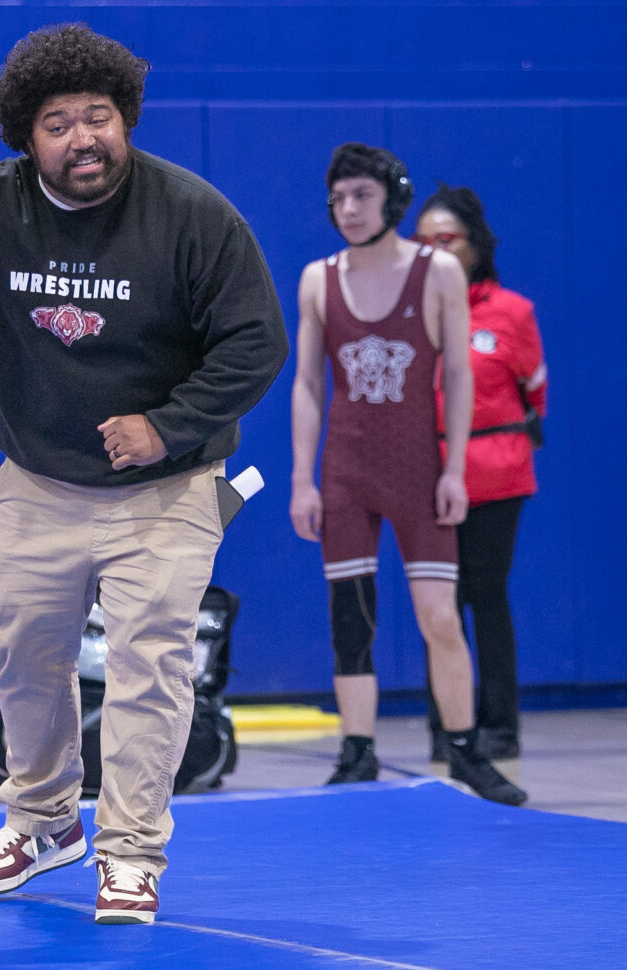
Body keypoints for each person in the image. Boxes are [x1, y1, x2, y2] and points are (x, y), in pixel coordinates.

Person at [0, 23, 288, 924]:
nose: (84, 137)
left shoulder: (193, 214)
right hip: (39, 481)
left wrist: (168, 427)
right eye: (59, 123)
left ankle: (132, 852)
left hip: (168, 486)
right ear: (24, 137)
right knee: (25, 656)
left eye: (99, 116)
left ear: (127, 118)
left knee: (149, 663)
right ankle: (43, 821)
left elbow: (256, 341)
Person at [289, 142, 527, 806]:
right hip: (346, 471)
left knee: (440, 616)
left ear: (393, 199)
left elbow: (458, 373)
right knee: (350, 619)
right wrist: (302, 479)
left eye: (362, 196)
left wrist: (453, 469)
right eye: (338, 198)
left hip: (419, 469)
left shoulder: (437, 271)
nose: (348, 209)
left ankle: (465, 750)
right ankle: (357, 752)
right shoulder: (318, 279)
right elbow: (308, 383)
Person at [414, 185, 547, 761]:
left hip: (495, 476)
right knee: (437, 605)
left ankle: (499, 728)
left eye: (446, 239)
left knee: (486, 595)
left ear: (475, 245)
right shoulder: (409, 312)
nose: (434, 251)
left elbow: (535, 393)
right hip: (425, 476)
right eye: (423, 242)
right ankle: (448, 730)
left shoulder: (512, 312)